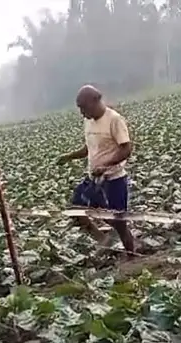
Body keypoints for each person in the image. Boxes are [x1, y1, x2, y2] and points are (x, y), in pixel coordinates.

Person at [56, 85, 136, 256]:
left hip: (114, 180)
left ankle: (133, 256)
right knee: (76, 208)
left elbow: (126, 148)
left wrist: (106, 164)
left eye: (83, 107)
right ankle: (103, 240)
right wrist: (69, 156)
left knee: (118, 221)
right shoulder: (89, 122)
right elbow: (89, 148)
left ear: (95, 101)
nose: (82, 113)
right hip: (94, 179)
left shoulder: (114, 119)